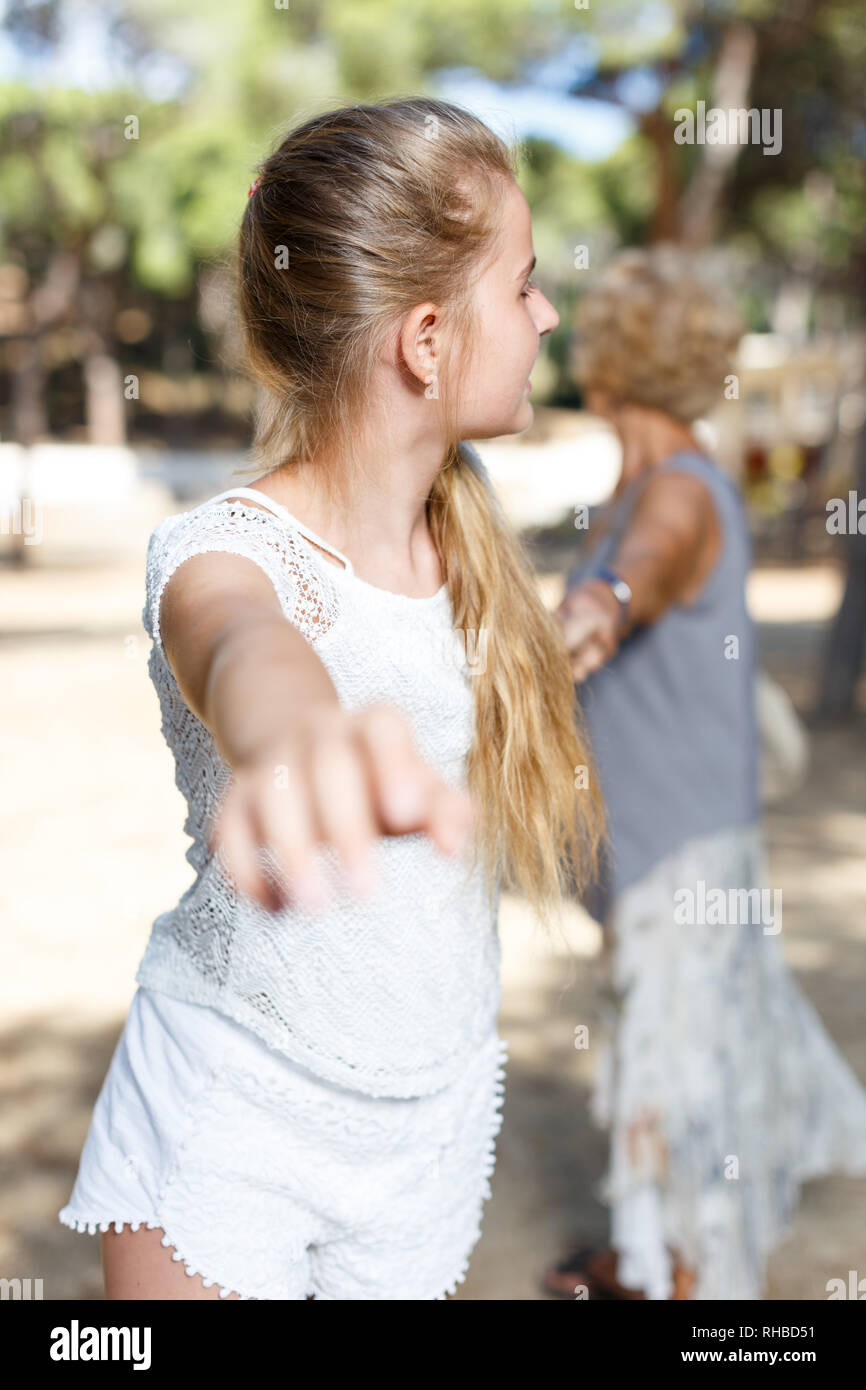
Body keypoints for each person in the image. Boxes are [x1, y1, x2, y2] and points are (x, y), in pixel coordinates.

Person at [57, 97, 604, 1301]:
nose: (546, 312)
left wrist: (571, 640)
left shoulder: (465, 553)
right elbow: (246, 646)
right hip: (232, 1117)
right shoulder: (226, 554)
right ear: (423, 339)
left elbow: (437, 691)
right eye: (521, 286)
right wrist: (293, 738)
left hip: (425, 1122)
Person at [543, 246, 866, 1301]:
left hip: (682, 850)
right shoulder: (635, 485)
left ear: (611, 366)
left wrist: (595, 610)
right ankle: (650, 1259)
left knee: (682, 1072)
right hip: (646, 845)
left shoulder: (677, 492)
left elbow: (631, 583)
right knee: (658, 1048)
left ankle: (686, 1279)